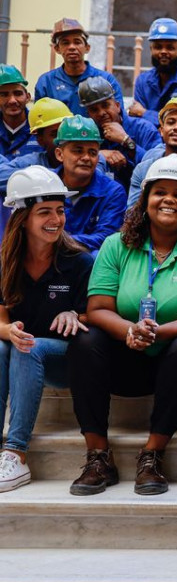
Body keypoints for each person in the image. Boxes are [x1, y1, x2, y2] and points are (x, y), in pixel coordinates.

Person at [66, 155, 177, 496]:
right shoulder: (116, 245)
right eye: (160, 192)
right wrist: (129, 330)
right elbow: (97, 309)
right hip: (127, 360)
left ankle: (152, 455)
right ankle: (98, 456)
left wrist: (158, 332)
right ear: (145, 200)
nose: (169, 200)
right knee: (85, 341)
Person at [0, 167, 93, 491]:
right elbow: (1, 319)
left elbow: (97, 315)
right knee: (5, 345)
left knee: (29, 346)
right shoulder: (6, 261)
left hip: (65, 360)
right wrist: (9, 331)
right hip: (22, 354)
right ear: (23, 218)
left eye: (60, 210)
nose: (56, 219)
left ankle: (16, 452)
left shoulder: (79, 261)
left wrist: (75, 313)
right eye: (44, 212)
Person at [51, 116, 126, 253]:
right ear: (59, 154)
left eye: (92, 152)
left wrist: (56, 241)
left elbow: (106, 238)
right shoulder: (43, 185)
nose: (86, 158)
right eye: (78, 151)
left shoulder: (112, 192)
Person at [78, 76, 162, 187]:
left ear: (117, 106)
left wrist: (126, 141)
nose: (101, 113)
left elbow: (159, 167)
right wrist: (98, 155)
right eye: (94, 109)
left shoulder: (144, 129)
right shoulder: (86, 135)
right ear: (88, 114)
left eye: (105, 105)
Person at [33, 18, 124, 117]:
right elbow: (39, 119)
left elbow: (118, 116)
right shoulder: (46, 82)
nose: (72, 47)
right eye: (65, 43)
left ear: (87, 48)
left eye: (77, 42)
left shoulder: (106, 80)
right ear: (57, 49)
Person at [130, 18, 177, 126]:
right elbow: (138, 123)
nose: (163, 51)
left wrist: (144, 113)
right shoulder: (142, 81)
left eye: (170, 48)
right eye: (158, 47)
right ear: (151, 49)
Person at [0, 65, 41, 160]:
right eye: (4, 95)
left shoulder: (41, 128)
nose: (12, 100)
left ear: (28, 97)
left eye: (18, 94)